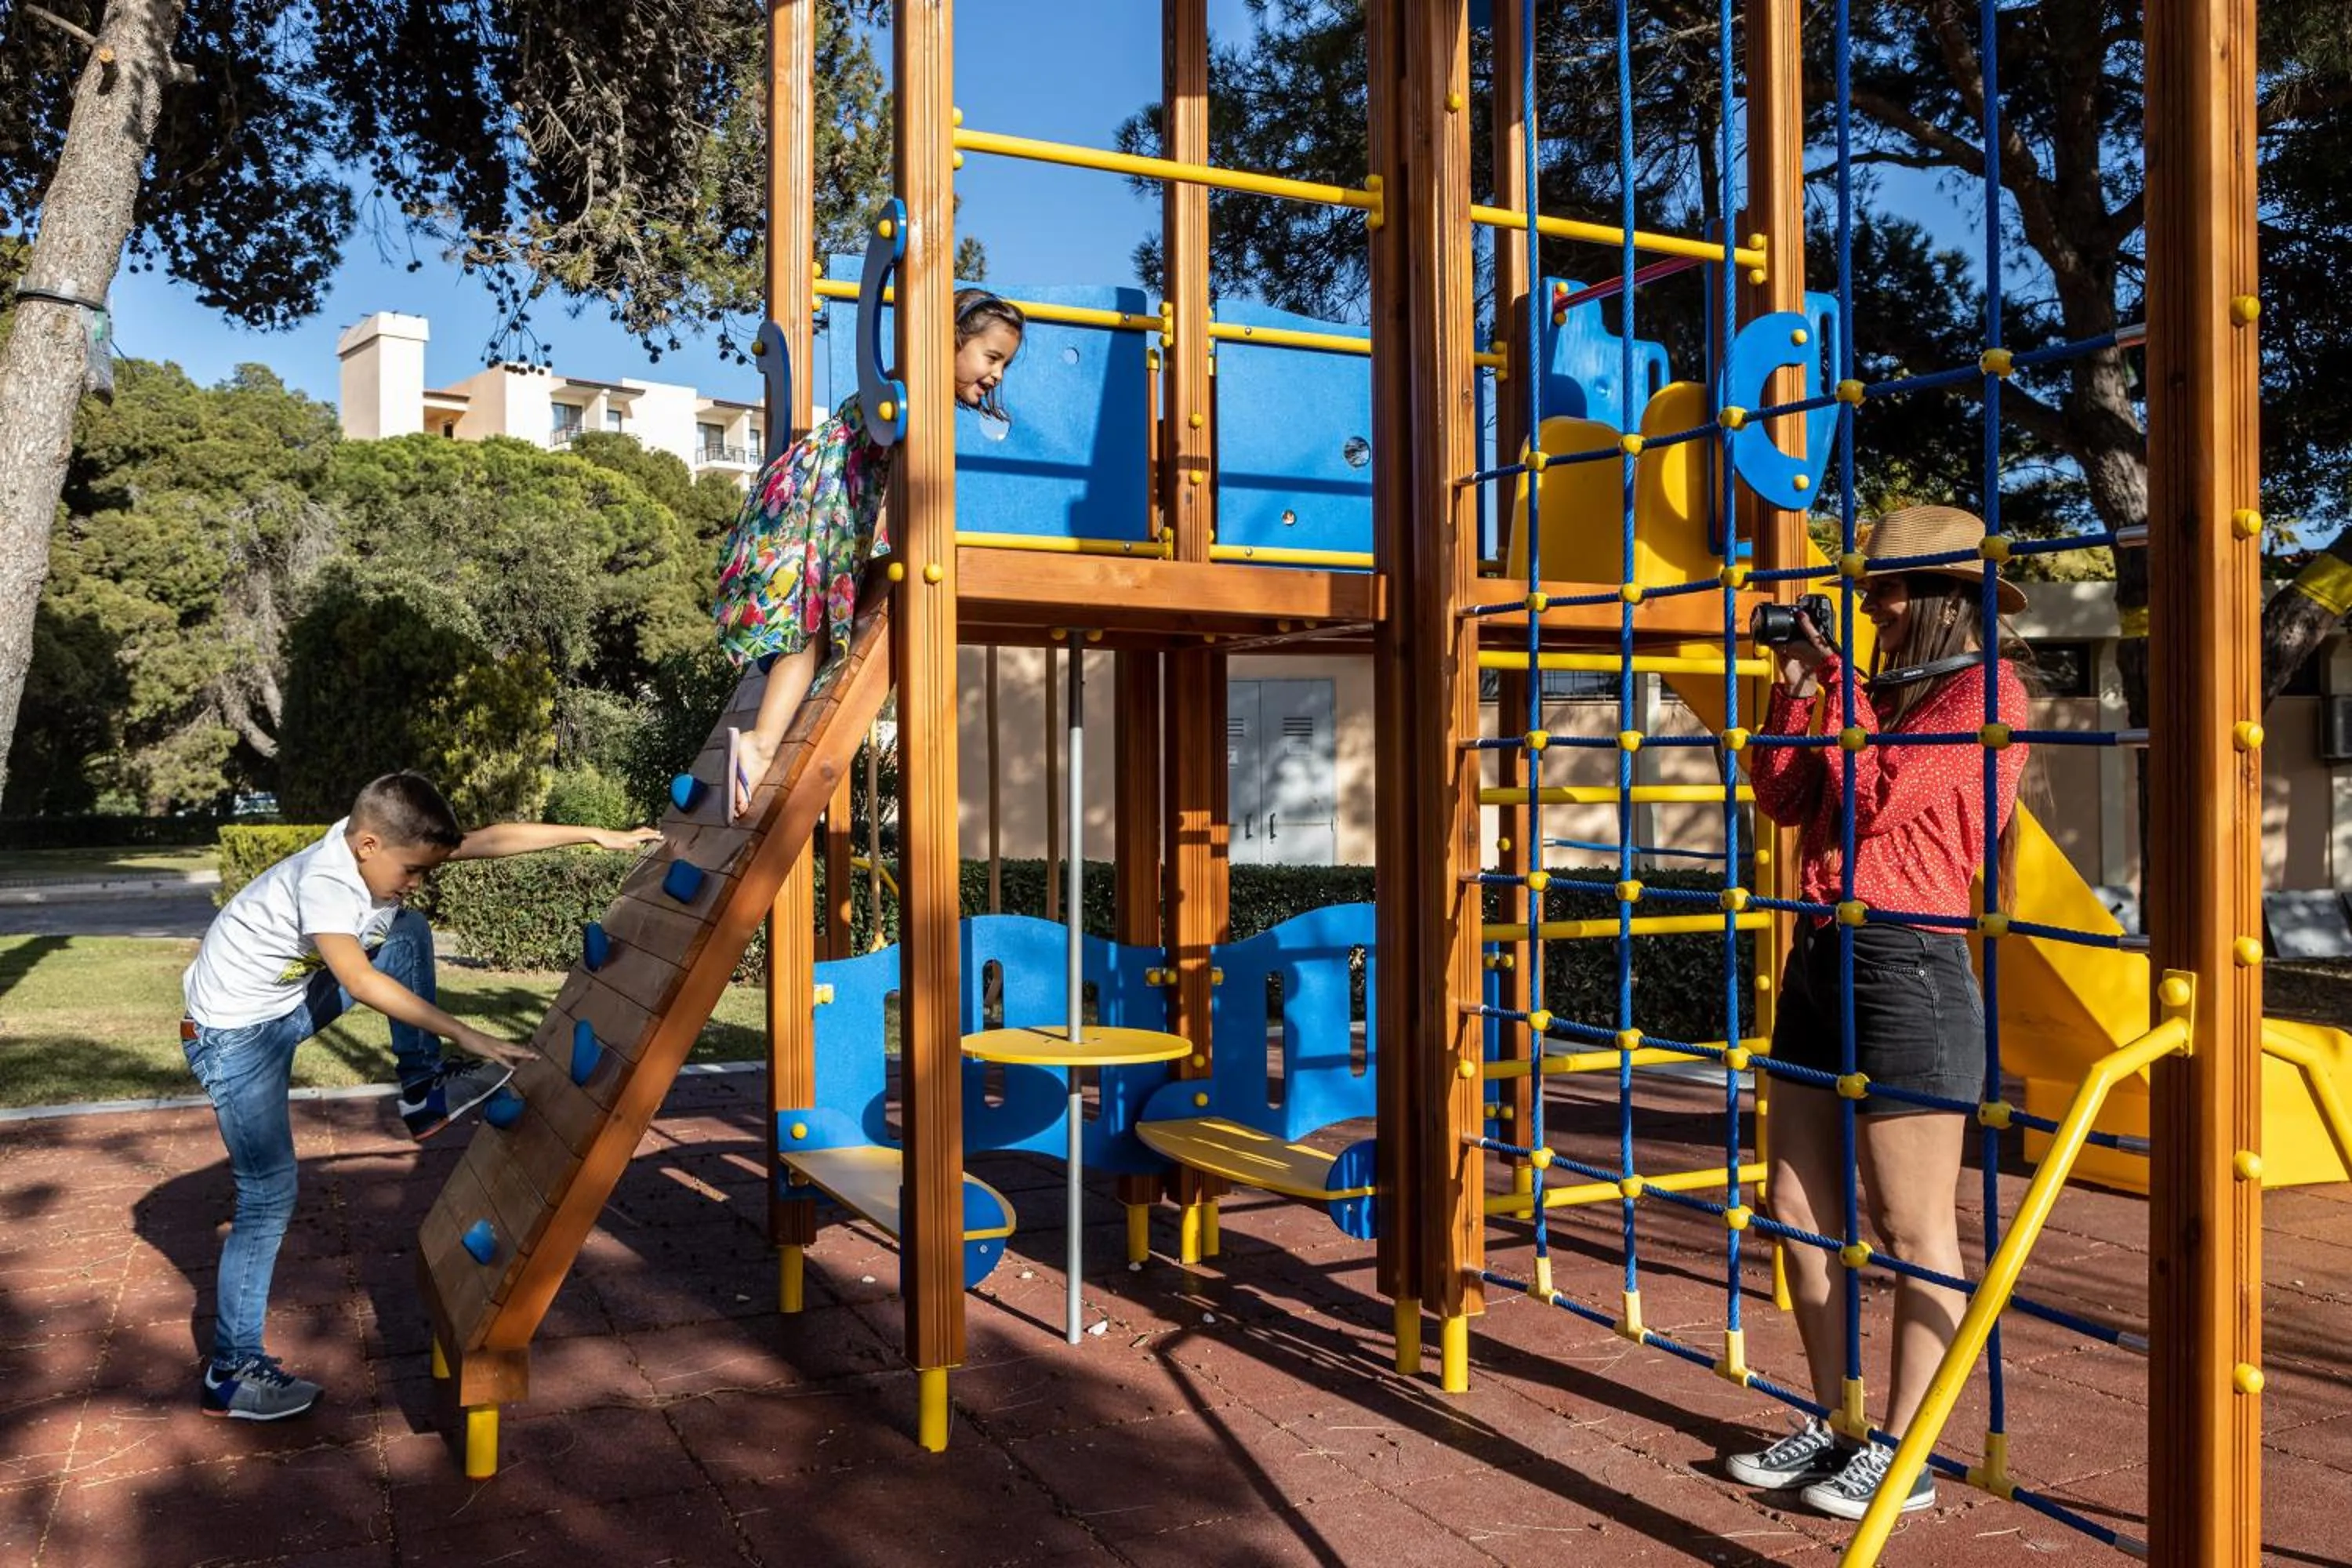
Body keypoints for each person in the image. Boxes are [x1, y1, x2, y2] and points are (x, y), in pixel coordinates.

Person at [1727, 505, 2035, 1520]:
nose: (1873, 609)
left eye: (1888, 590)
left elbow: (1877, 800)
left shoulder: (1989, 693)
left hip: (1909, 964)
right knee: (1794, 1202)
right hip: (1822, 952)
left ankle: (1906, 1455)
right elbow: (1783, 796)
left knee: (1910, 1225)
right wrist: (1795, 688)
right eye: (1869, 593)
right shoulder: (1884, 693)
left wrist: (1842, 688)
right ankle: (1838, 1421)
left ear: (1945, 596)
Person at [180, 771, 659, 1421]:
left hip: (284, 1006)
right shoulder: (325, 882)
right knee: (267, 1193)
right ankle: (230, 1372)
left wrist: (596, 834)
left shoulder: (378, 847)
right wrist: (467, 1032)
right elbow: (360, 981)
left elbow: (491, 839)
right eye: (411, 871)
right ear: (368, 846)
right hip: (233, 1038)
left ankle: (423, 1090)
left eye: (426, 871)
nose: (417, 883)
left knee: (405, 929)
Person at [713, 288, 1027, 819]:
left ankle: (762, 735)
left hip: (809, 499)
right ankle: (760, 745)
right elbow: (903, 486)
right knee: (808, 624)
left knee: (808, 626)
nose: (997, 374)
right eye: (991, 357)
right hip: (816, 505)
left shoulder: (904, 393)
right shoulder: (913, 395)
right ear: (950, 341)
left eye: (1005, 365)